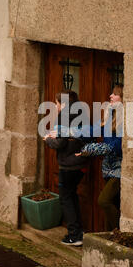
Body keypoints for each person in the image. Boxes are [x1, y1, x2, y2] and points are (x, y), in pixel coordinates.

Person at [43, 90, 88, 246]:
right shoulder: (82, 113)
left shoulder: (63, 116)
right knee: (72, 196)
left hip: (68, 166)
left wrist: (48, 139)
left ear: (62, 104)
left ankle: (74, 236)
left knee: (66, 199)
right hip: (80, 164)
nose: (55, 107)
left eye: (56, 103)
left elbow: (60, 143)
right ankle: (79, 232)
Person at [76, 85, 124, 231]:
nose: (110, 96)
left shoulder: (125, 123)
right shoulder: (110, 117)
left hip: (119, 169)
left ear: (123, 99)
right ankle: (111, 236)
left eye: (115, 94)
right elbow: (93, 130)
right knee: (114, 204)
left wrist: (87, 149)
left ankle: (120, 232)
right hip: (107, 169)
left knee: (103, 201)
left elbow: (113, 147)